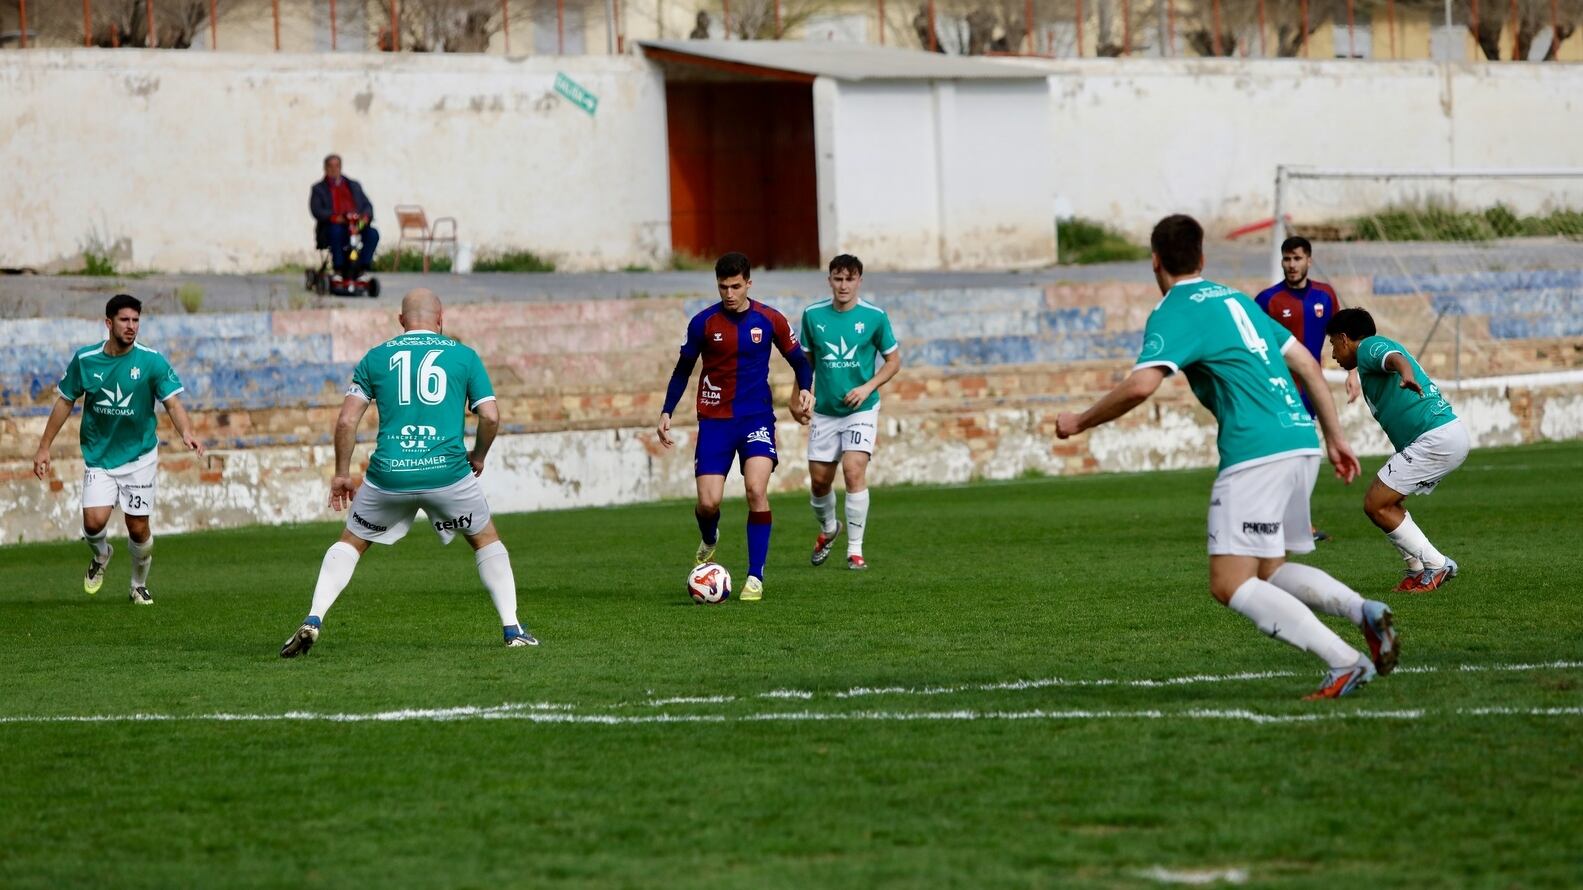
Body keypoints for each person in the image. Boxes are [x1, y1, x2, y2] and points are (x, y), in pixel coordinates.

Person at [1056, 215, 1398, 700]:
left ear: (1155, 261)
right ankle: (1361, 610)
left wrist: (1079, 421)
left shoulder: (1175, 309)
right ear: (1202, 258)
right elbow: (1303, 361)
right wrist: (1334, 436)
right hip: (1298, 440)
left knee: (1229, 584)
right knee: (1268, 571)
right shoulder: (1234, 298)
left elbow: (1141, 385)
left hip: (1256, 450)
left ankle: (1344, 662)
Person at [279, 288, 535, 656]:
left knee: (351, 541)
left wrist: (341, 473)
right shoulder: (464, 356)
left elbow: (346, 420)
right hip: (447, 473)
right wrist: (477, 456)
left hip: (389, 475)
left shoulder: (376, 357)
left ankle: (314, 618)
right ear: (441, 318)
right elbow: (491, 416)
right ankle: (512, 628)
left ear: (401, 321)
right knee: (485, 540)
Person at [657, 252, 814, 602]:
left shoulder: (769, 319)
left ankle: (755, 576)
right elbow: (683, 369)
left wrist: (805, 389)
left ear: (748, 284)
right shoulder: (703, 323)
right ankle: (710, 536)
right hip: (714, 421)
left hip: (755, 419)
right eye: (723, 287)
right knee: (708, 503)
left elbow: (800, 361)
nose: (729, 293)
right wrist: (667, 411)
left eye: (736, 286)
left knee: (756, 490)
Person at [32, 294, 205, 605]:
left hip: (139, 456)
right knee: (93, 522)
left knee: (137, 527)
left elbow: (173, 403)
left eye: (136, 320)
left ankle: (138, 585)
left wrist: (187, 432)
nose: (131, 326)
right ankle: (101, 554)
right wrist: (44, 447)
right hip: (99, 456)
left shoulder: (151, 361)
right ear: (108, 323)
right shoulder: (86, 360)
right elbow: (64, 402)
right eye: (125, 320)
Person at [1325, 307, 1467, 592]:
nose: (1332, 354)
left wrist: (1405, 374)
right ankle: (1416, 567)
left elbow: (1394, 359)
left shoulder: (1369, 347)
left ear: (1344, 338)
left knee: (1375, 504)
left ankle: (1436, 565)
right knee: (1387, 503)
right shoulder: (1366, 357)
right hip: (1441, 436)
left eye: (1332, 345)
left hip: (1434, 438)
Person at [799, 254, 902, 570]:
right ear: (829, 280)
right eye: (838, 278)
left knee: (854, 470)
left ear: (859, 281)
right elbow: (805, 363)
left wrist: (867, 387)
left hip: (861, 409)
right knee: (819, 483)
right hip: (826, 411)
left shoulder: (874, 316)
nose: (843, 285)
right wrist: (801, 394)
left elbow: (894, 361)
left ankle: (854, 551)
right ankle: (829, 529)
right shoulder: (812, 315)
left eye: (849, 279)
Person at [1255, 235, 1360, 542]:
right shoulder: (1267, 300)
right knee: (1285, 454)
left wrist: (1353, 371)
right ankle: (1285, 523)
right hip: (1279, 389)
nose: (1291, 265)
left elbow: (1343, 337)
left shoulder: (1324, 295)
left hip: (1311, 390)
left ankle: (1294, 523)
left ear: (1309, 261)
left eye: (1297, 258)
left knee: (1304, 456)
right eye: (1286, 259)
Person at [310, 154, 379, 278]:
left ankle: (362, 267)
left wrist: (364, 219)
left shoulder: (354, 185)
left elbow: (367, 205)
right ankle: (339, 268)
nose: (334, 169)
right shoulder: (318, 189)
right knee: (335, 232)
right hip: (334, 225)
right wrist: (336, 217)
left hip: (356, 224)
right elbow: (317, 210)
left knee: (373, 234)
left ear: (341, 167)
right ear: (325, 168)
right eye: (330, 166)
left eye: (337, 166)